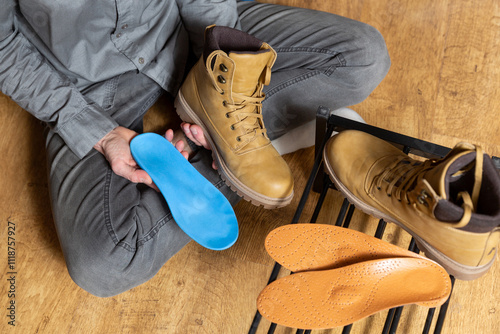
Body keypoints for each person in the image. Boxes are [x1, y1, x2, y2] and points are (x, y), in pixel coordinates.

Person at [0, 0, 390, 297]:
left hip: (181, 31)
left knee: (362, 57)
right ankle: (261, 138)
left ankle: (236, 131)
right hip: (86, 85)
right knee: (104, 263)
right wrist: (97, 133)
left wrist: (223, 86)